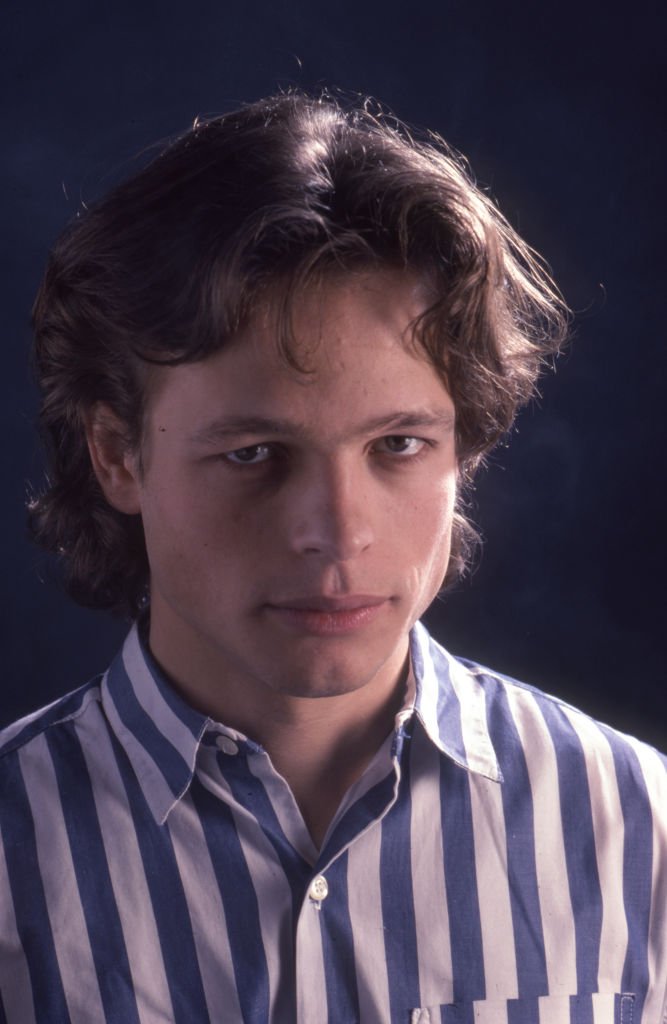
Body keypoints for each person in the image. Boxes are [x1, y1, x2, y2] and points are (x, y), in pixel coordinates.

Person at [0, 91, 664, 1024]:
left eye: (398, 445)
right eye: (252, 454)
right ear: (116, 453)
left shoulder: (636, 826)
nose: (337, 530)